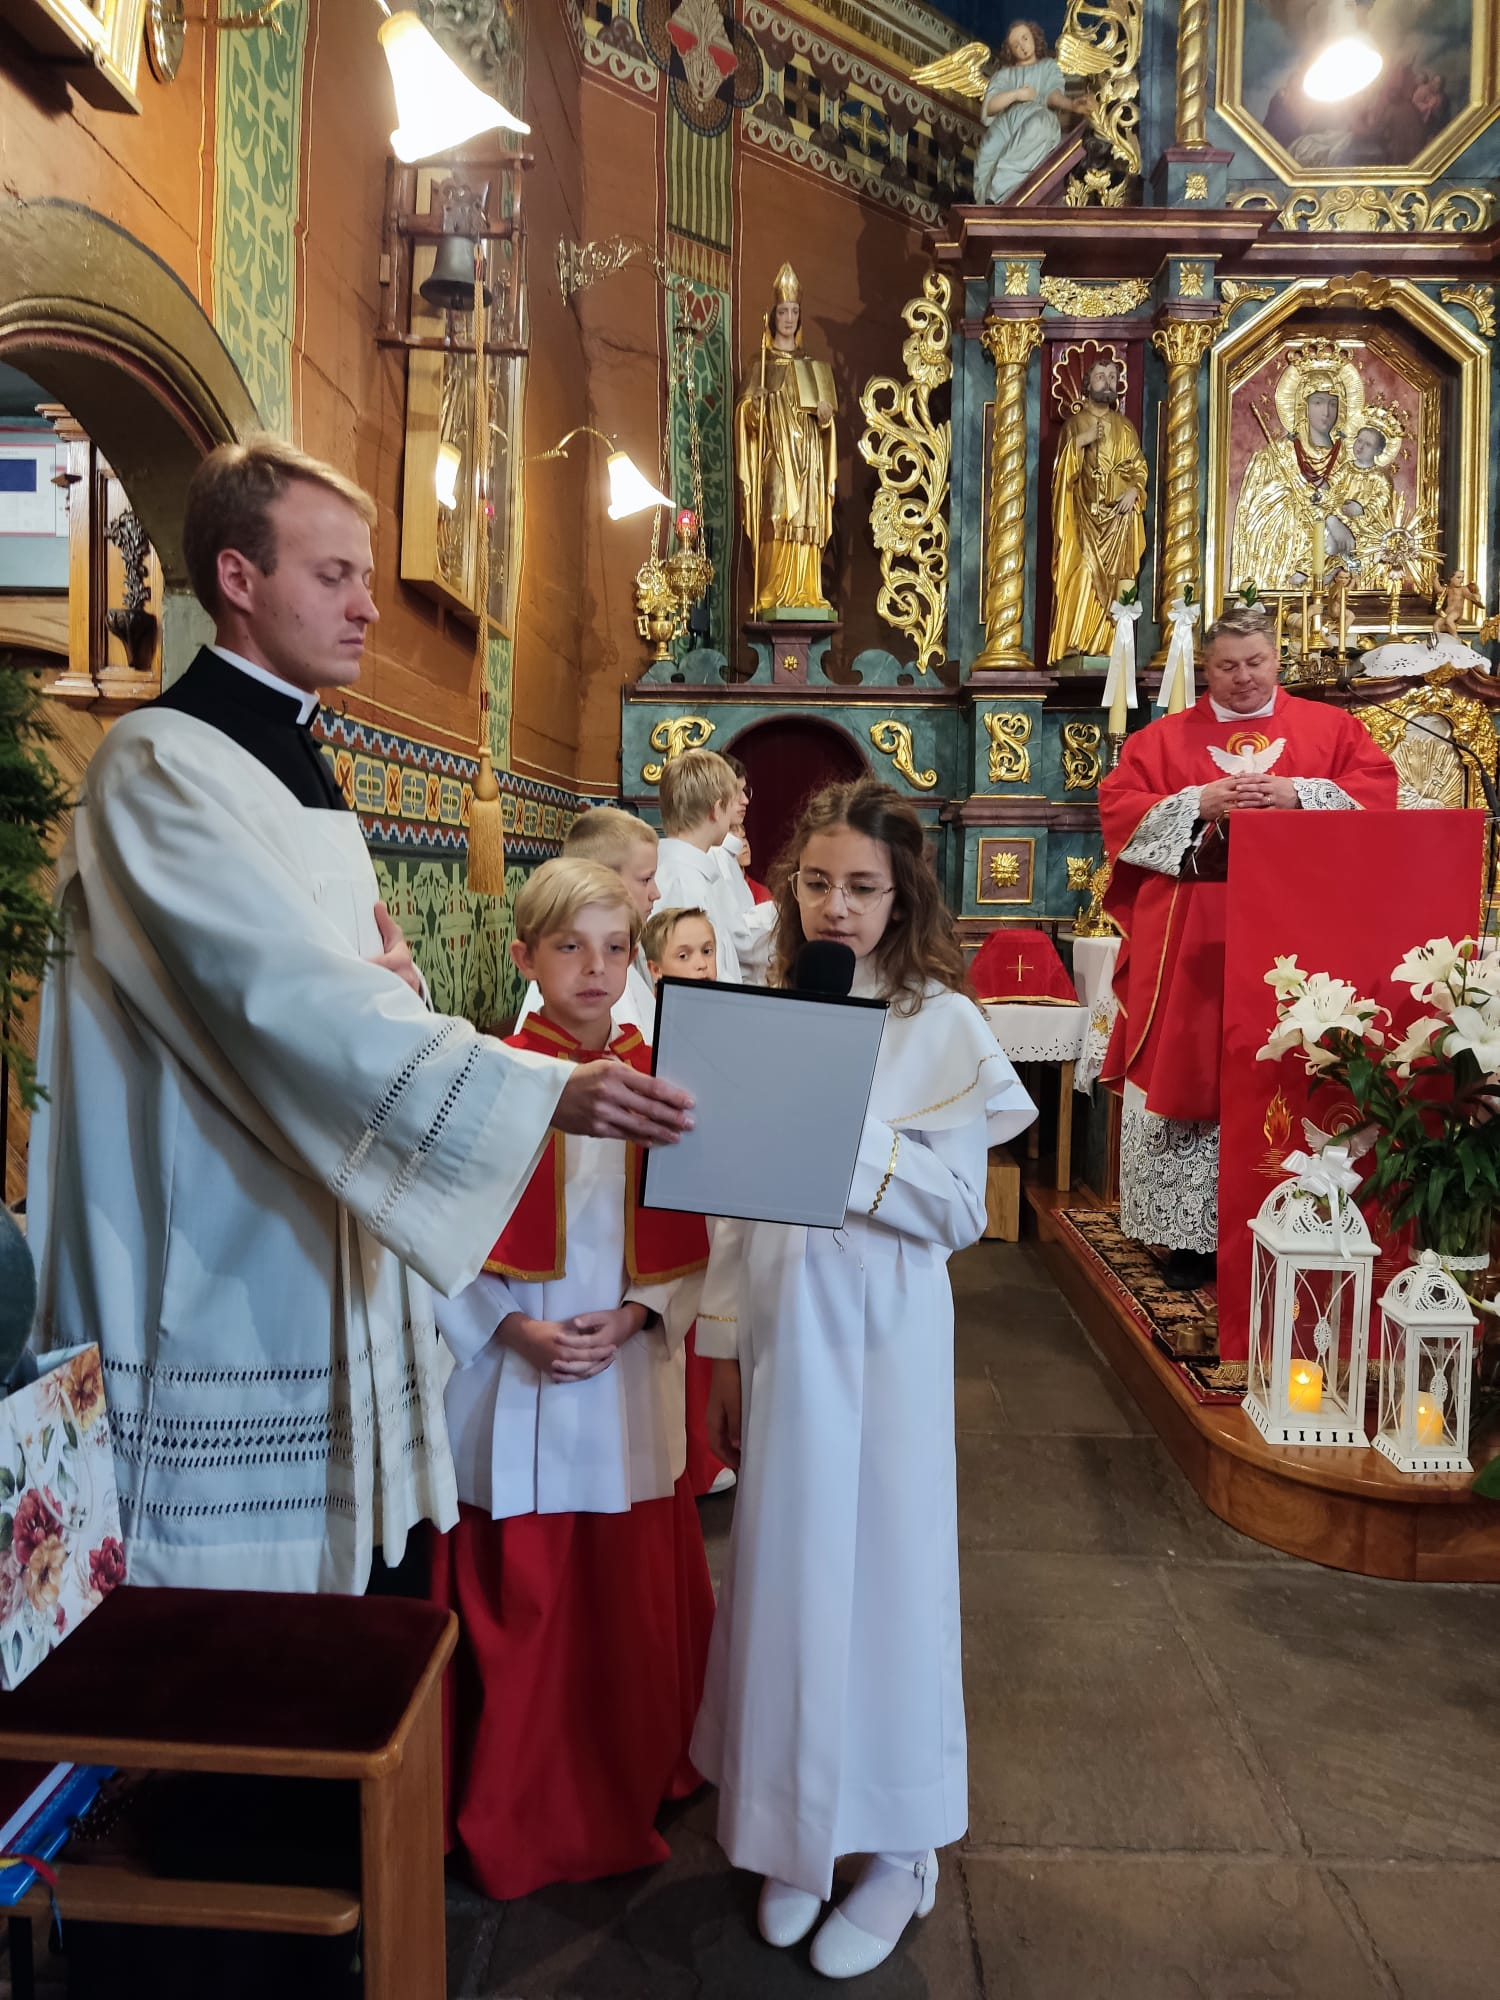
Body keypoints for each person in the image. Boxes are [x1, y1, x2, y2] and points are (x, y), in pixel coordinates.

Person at [25, 437, 690, 1594]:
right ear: (238, 578)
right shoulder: (159, 764)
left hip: (316, 1235)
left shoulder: (292, 755)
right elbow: (286, 1001)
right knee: (238, 1651)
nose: (370, 607)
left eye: (369, 576)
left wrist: (402, 1000)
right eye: (333, 575)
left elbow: (368, 993)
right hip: (221, 1262)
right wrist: (541, 1085)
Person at [691, 779, 1036, 1979]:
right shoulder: (768, 1005)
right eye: (820, 881)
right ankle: (794, 1833)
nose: (837, 905)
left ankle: (897, 1846)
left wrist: (843, 1127)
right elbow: (734, 1210)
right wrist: (723, 1345)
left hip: (883, 1329)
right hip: (786, 1320)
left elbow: (955, 1210)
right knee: (783, 1572)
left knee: (883, 1576)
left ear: (903, 898)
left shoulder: (943, 1021)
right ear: (793, 889)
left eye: (863, 887)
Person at [429, 859, 714, 1898]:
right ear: (524, 958)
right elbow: (431, 1233)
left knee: (622, 1597)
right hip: (517, 1380)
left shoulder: (667, 1076)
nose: (594, 968)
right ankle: (517, 1798)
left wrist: (645, 1309)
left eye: (613, 947)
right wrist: (509, 1326)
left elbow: (705, 1218)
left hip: (628, 1369)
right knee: (528, 1597)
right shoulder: (484, 1082)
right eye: (567, 947)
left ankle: (628, 1766)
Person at [1098, 606, 1397, 1288]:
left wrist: (1299, 793)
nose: (1242, 679)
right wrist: (1199, 803)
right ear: (1206, 668)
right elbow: (1119, 813)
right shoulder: (1161, 740)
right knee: (1192, 1071)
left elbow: (1379, 799)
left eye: (1255, 663)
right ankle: (1191, 1241)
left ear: (1276, 661)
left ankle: (1312, 1218)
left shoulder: (1332, 730)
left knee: (1296, 1070)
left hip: (1304, 941)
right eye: (1227, 666)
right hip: (1193, 946)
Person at [640, 904, 733, 1498]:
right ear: (654, 971)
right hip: (679, 1193)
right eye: (684, 955)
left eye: (707, 951)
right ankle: (692, 1454)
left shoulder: (725, 1017)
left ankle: (710, 1447)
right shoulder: (654, 1034)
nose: (700, 965)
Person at [734, 262, 836, 616]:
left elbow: (826, 425)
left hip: (807, 459)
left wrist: (825, 422)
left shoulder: (812, 366)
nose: (789, 318)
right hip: (775, 458)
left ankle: (807, 593)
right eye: (783, 311)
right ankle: (774, 593)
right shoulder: (759, 364)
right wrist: (755, 405)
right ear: (772, 316)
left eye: (794, 311)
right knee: (777, 517)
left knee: (805, 522)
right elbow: (745, 420)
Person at [517, 805, 659, 1036]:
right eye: (646, 879)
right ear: (603, 879)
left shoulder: (622, 962)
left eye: (614, 948)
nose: (656, 893)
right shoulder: (583, 995)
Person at [1048, 356, 1148, 663]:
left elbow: (1139, 467)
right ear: (1087, 385)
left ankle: (1107, 645)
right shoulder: (1075, 424)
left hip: (1118, 520)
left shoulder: (1126, 427)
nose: (1107, 381)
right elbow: (1060, 475)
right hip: (1083, 516)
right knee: (1081, 573)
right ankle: (1074, 641)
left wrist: (1134, 490)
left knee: (1119, 579)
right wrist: (1080, 442)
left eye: (1112, 375)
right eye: (1100, 376)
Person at [654, 748, 776, 983]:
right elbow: (699, 976)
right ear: (716, 809)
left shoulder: (690, 874)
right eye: (731, 803)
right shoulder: (685, 883)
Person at [973, 22, 1073, 206]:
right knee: (989, 150)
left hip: (1037, 118)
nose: (1022, 46)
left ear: (1034, 37)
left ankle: (1005, 193)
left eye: (1025, 39)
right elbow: (989, 108)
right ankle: (994, 196)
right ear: (1011, 51)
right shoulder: (1005, 75)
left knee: (1039, 125)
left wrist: (1072, 105)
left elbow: (1053, 94)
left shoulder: (1048, 67)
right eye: (1016, 45)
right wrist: (1017, 94)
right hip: (1004, 127)